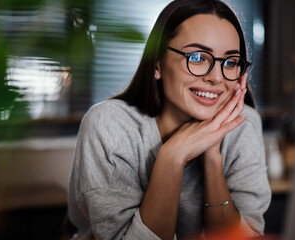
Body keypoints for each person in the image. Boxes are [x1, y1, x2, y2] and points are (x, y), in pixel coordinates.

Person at [67, 0, 271, 239]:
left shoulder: (244, 124)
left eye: (231, 62)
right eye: (197, 57)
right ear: (157, 63)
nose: (217, 77)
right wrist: (172, 156)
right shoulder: (110, 126)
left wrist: (212, 157)